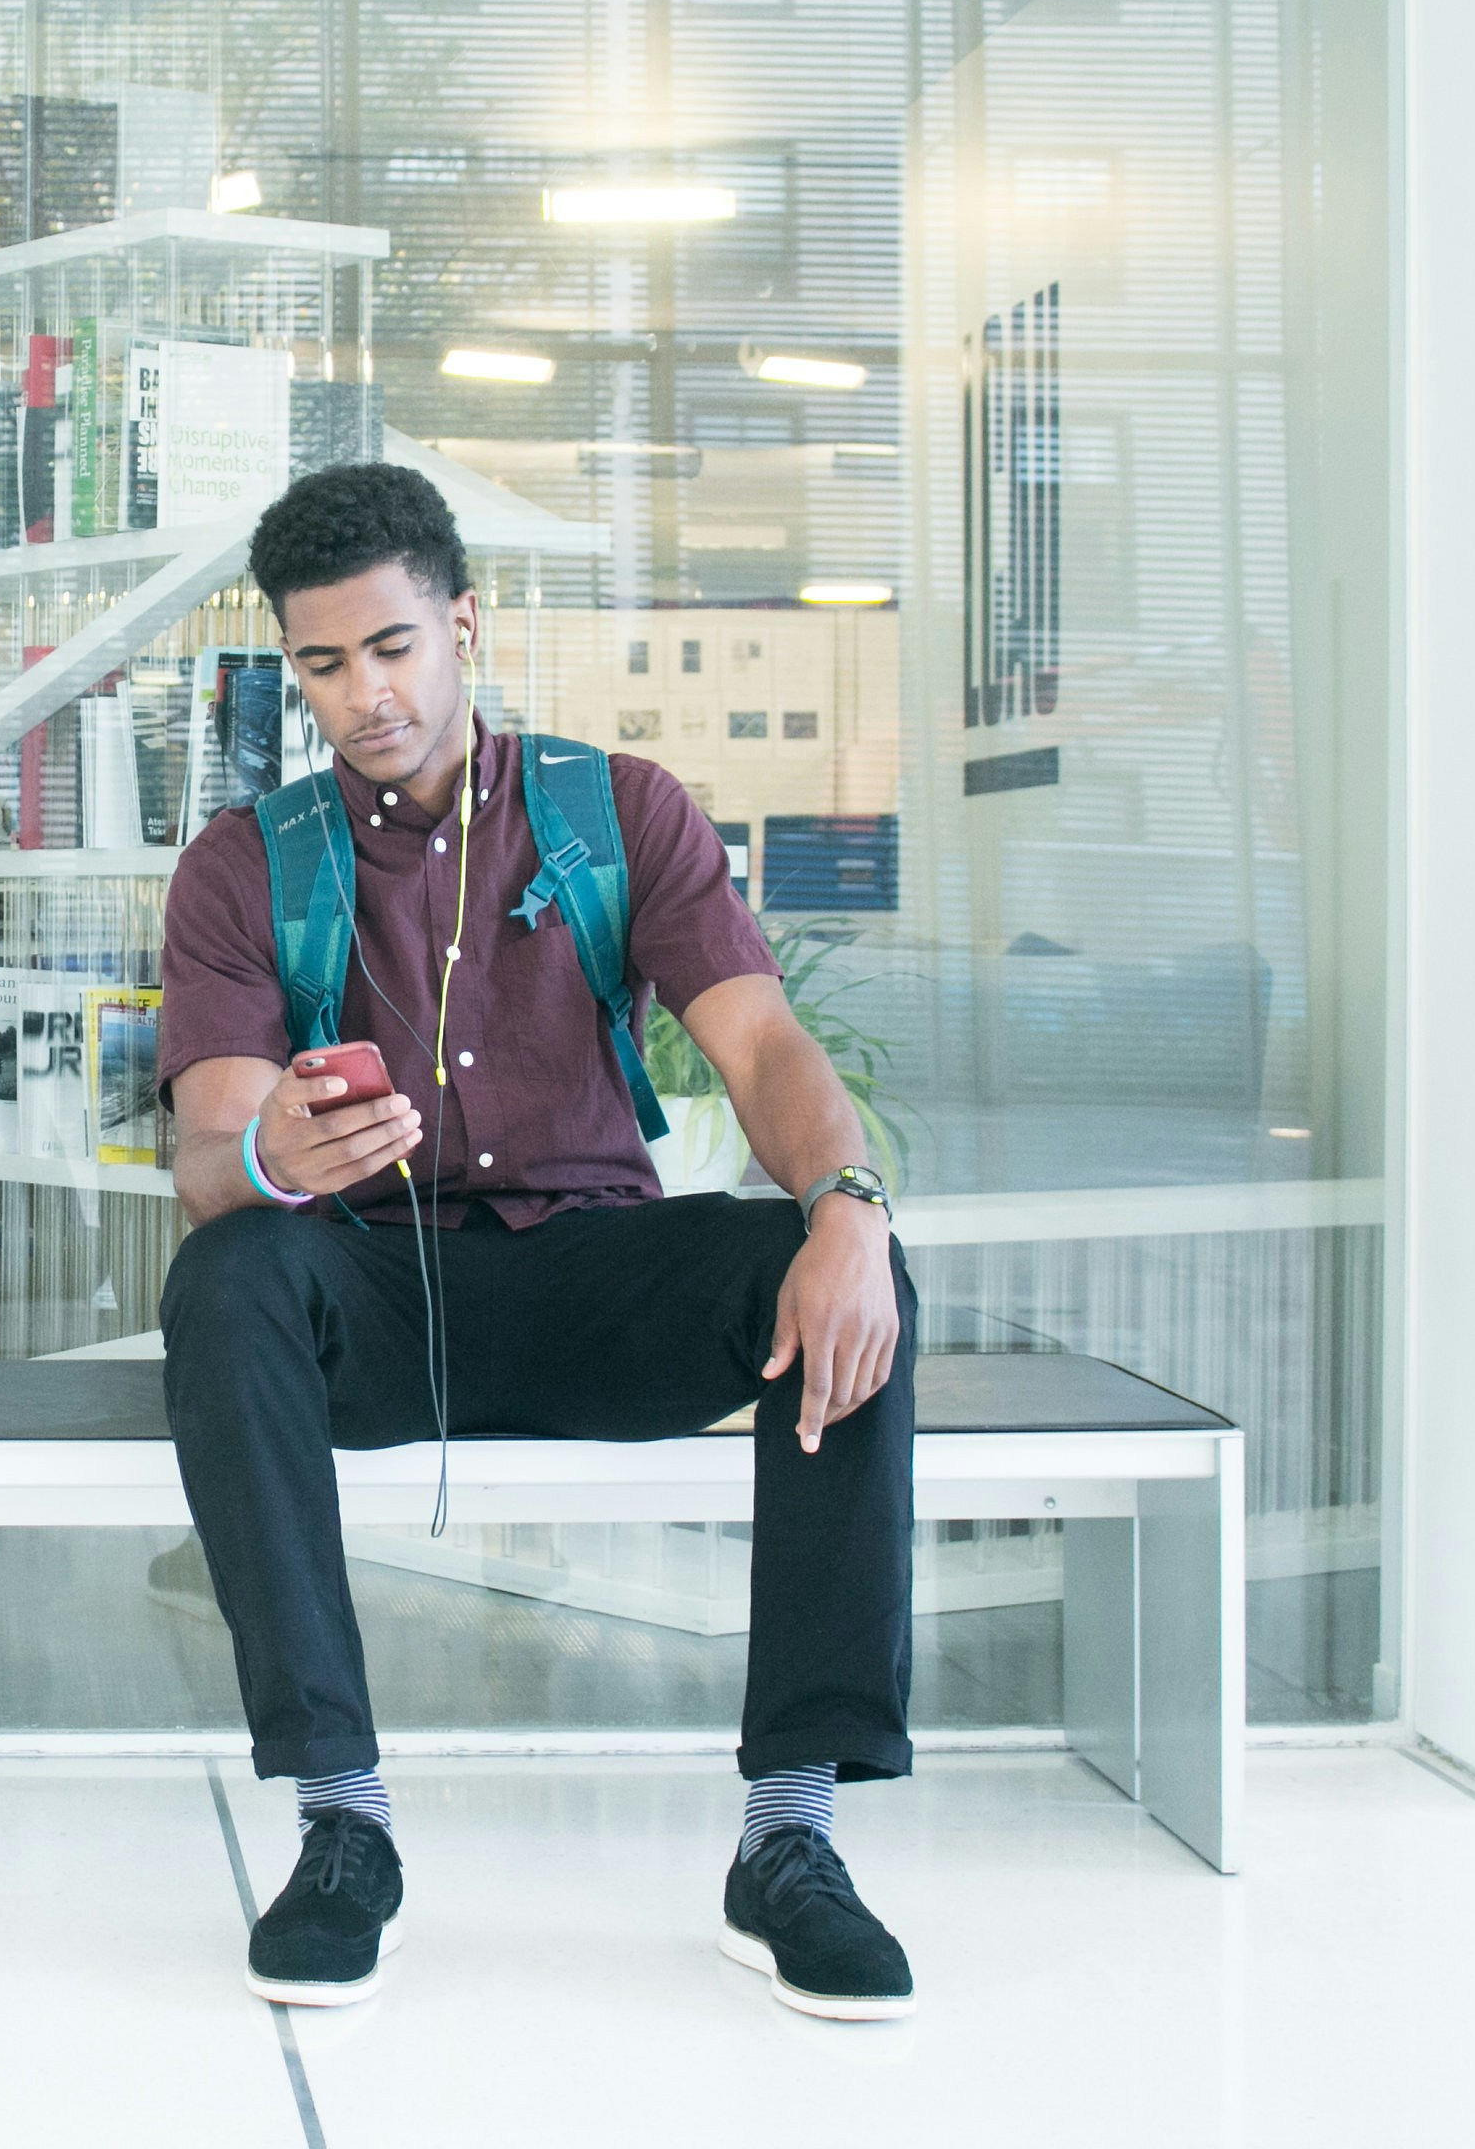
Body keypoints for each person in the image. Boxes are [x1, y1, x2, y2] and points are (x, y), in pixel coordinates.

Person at [154, 463, 919, 2022]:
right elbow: (211, 1151)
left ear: (464, 627)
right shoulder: (247, 865)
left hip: (589, 1278)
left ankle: (791, 1840)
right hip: (370, 1293)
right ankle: (342, 1820)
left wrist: (846, 1206)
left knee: (846, 1265)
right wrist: (270, 1154)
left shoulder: (615, 812)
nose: (362, 694)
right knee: (228, 1272)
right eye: (320, 663)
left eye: (391, 647)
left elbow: (763, 1048)